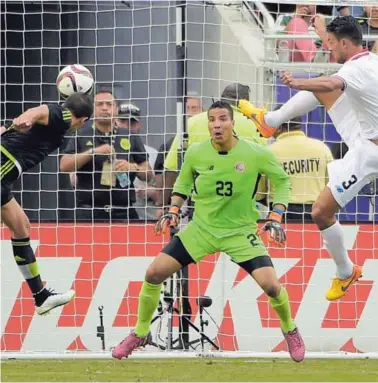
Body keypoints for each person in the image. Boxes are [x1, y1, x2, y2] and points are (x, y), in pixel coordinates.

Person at [240, 16, 378, 301]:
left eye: (333, 44)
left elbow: (333, 80)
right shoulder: (367, 58)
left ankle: (346, 271)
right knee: (325, 90)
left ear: (346, 42)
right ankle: (270, 121)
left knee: (320, 212)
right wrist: (323, 27)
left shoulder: (357, 70)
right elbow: (334, 71)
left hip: (371, 154)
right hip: (365, 130)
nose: (329, 48)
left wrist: (298, 81)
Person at [112, 101, 305, 362]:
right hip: (202, 230)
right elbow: (182, 183)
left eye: (223, 119)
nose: (216, 124)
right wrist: (173, 210)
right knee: (154, 273)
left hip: (240, 232)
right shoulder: (196, 152)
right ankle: (140, 332)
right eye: (212, 119)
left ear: (232, 123)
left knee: (271, 286)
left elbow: (282, 181)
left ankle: (290, 329)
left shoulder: (256, 153)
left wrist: (276, 215)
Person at [1, 92, 93, 315]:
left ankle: (41, 297)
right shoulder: (62, 116)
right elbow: (40, 110)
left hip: (5, 177)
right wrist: (27, 117)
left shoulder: (58, 123)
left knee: (21, 227)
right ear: (83, 120)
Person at [156, 83, 266, 212]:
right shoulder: (255, 127)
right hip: (241, 202)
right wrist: (260, 197)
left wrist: (163, 205)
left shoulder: (192, 123)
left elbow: (172, 168)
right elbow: (264, 170)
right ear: (245, 103)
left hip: (201, 202)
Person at [60, 90, 153, 222]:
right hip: (89, 211)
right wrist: (92, 152)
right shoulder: (81, 135)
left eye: (109, 104)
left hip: (123, 211)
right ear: (92, 109)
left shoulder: (130, 136)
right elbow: (64, 165)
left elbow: (149, 174)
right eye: (99, 104)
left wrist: (132, 167)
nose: (105, 108)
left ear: (115, 109)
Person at [269, 109, 333, 222]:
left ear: (278, 127)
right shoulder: (322, 148)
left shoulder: (270, 151)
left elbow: (260, 192)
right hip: (315, 211)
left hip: (281, 211)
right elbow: (332, 184)